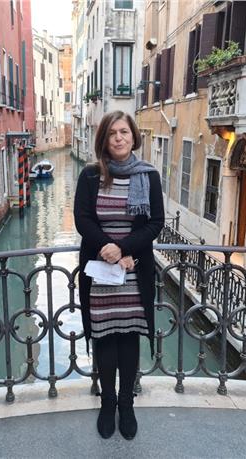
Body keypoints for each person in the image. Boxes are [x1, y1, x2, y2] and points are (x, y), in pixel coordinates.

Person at [74, 111, 165, 440]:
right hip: (100, 272)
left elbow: (155, 223)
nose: (119, 138)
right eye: (112, 133)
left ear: (133, 136)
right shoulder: (90, 175)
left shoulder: (149, 176)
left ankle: (126, 404)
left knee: (128, 339)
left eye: (124, 131)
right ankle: (107, 402)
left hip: (132, 270)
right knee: (104, 338)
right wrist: (107, 248)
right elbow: (82, 219)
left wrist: (124, 249)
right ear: (104, 138)